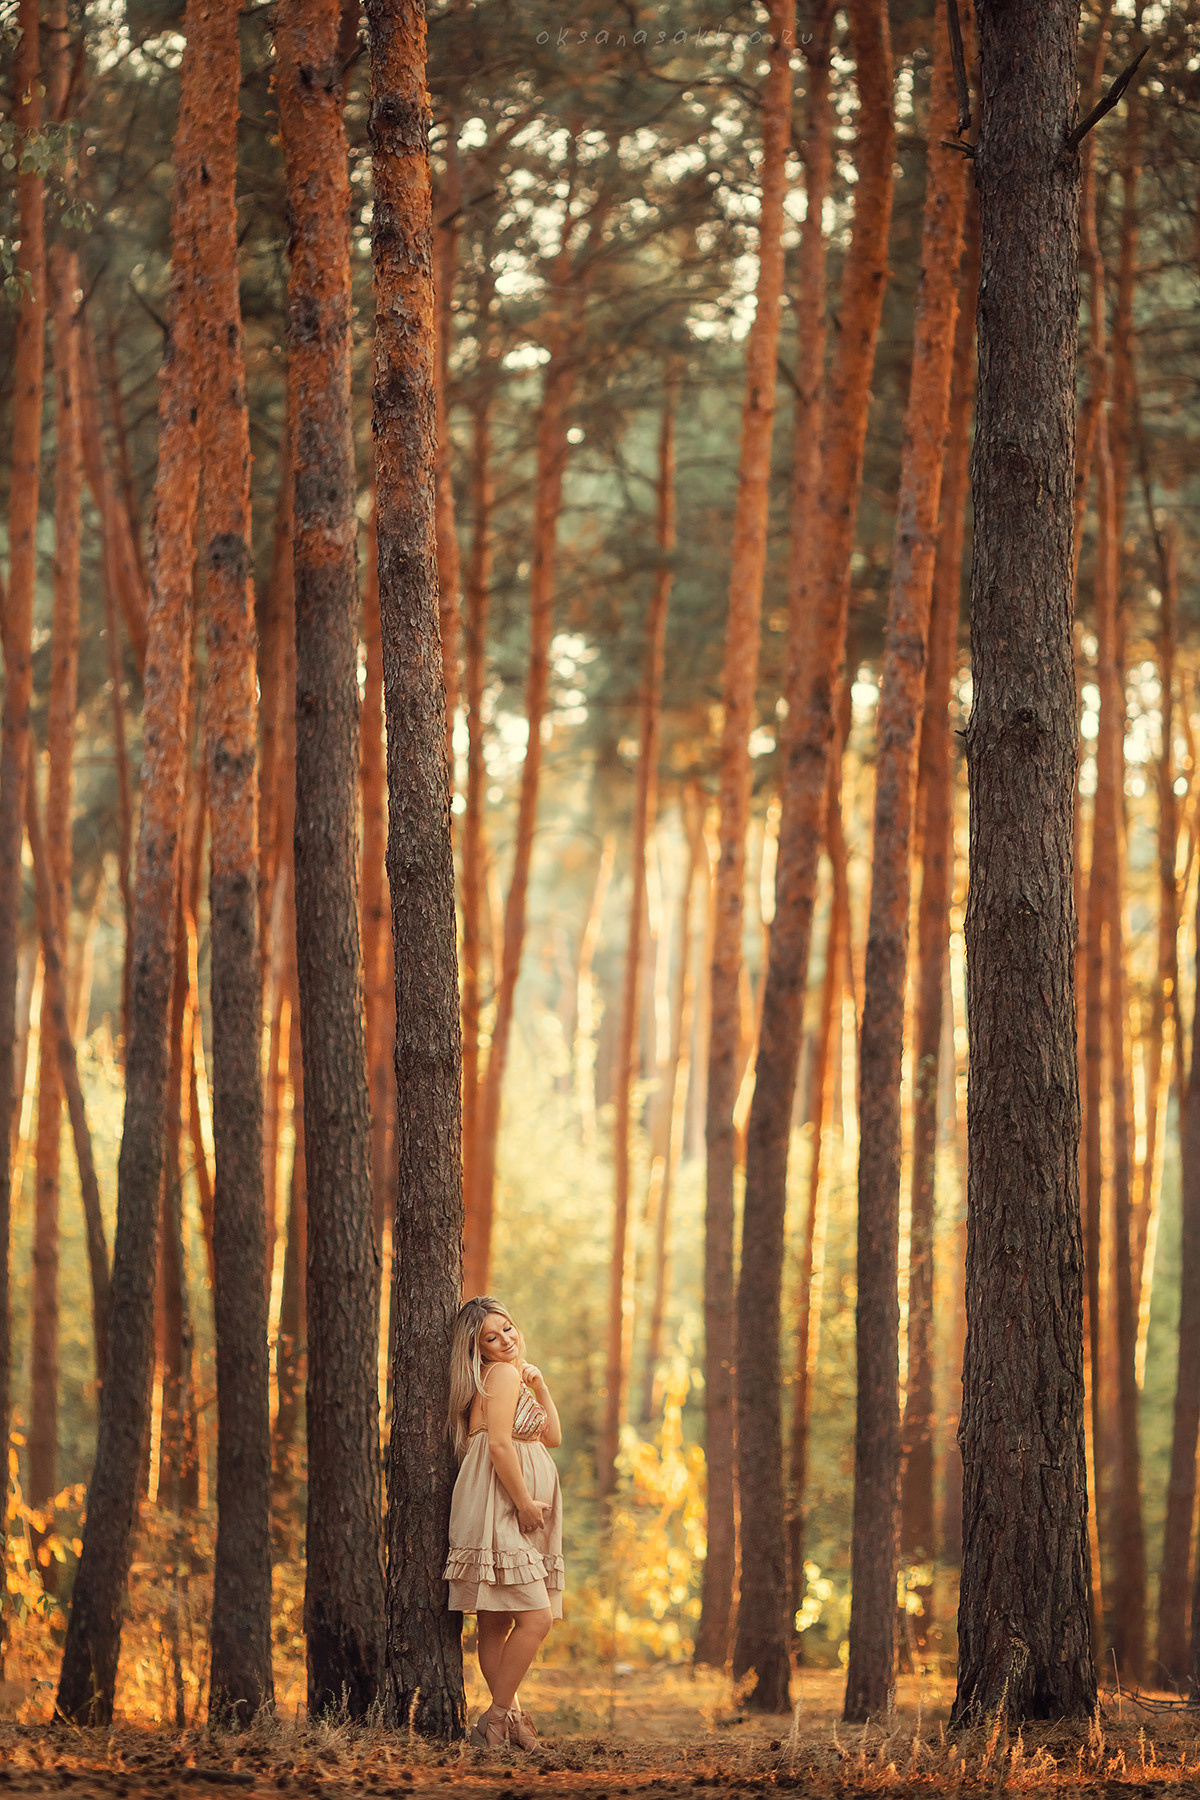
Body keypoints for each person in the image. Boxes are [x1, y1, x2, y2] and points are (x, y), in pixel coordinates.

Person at [445, 1296, 564, 1749]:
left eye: (507, 1329)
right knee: (536, 1619)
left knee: (494, 1623)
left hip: (501, 1502)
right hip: (502, 1503)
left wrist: (544, 1387)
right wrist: (525, 1505)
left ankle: (509, 1721)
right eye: (491, 1338)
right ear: (479, 1349)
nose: (505, 1340)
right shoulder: (500, 1374)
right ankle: (497, 1717)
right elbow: (498, 1446)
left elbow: (551, 1436)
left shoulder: (514, 1376)